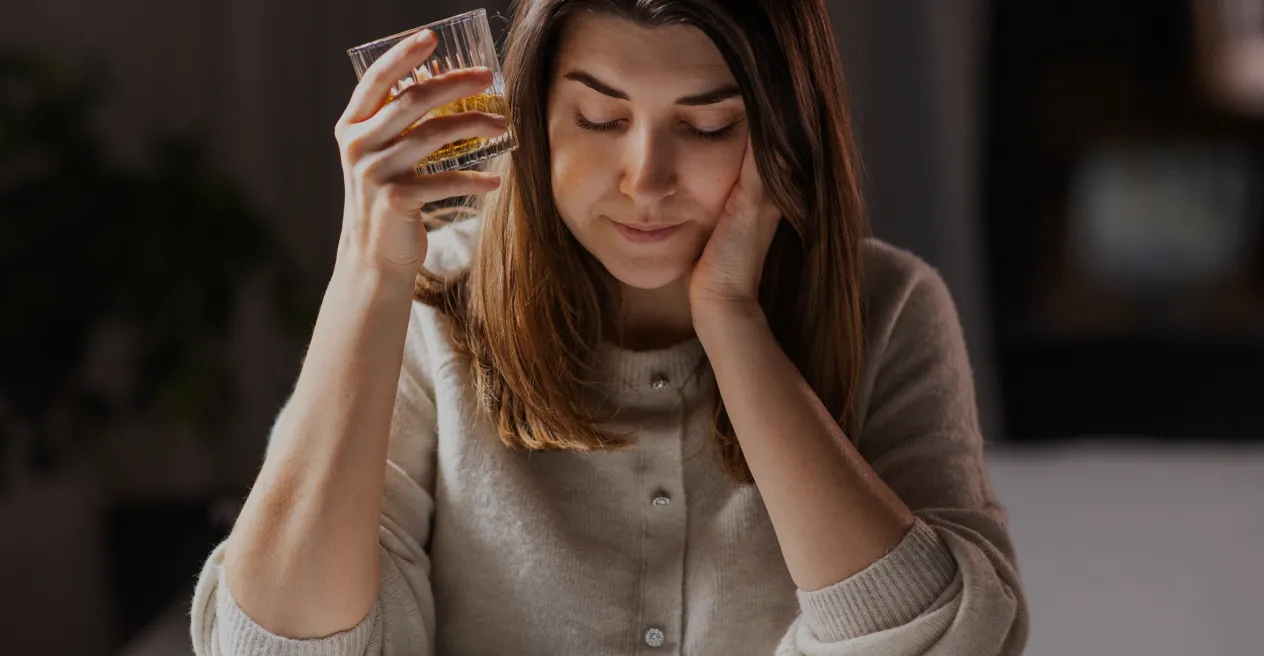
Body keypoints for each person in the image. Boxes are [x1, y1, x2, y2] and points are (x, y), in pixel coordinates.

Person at [190, 0, 1028, 654]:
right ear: (530, 114)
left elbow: (942, 640)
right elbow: (275, 646)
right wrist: (370, 268)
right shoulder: (434, 300)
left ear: (785, 129)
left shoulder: (890, 308)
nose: (646, 179)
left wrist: (732, 321)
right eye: (599, 119)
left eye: (706, 127)